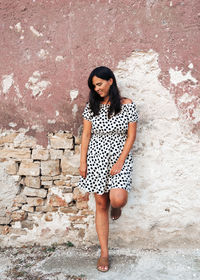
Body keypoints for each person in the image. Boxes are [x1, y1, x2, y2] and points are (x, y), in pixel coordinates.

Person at [78, 66, 138, 272]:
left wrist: (121, 160)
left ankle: (118, 206)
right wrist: (83, 162)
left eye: (99, 84)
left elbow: (131, 136)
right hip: (96, 157)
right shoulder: (91, 107)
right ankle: (104, 253)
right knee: (101, 203)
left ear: (110, 81)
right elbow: (86, 135)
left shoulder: (127, 105)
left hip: (119, 157)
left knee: (117, 199)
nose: (97, 89)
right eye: (94, 86)